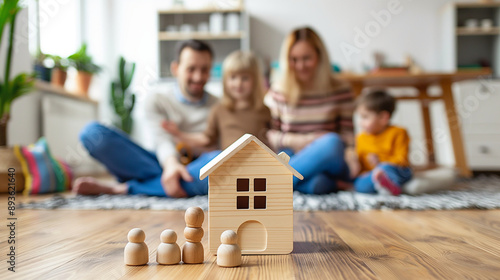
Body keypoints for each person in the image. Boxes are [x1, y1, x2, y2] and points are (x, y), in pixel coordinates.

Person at [73, 39, 220, 197]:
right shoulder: (157, 100)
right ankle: (168, 183)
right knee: (92, 133)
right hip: (160, 162)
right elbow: (162, 140)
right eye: (191, 69)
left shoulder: (221, 106)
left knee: (219, 163)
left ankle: (122, 189)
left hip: (198, 166)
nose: (198, 77)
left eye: (204, 70)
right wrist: (171, 165)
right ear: (176, 69)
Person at [265, 27, 356, 195]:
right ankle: (309, 183)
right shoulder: (279, 91)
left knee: (332, 142)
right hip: (293, 155)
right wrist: (304, 141)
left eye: (306, 58)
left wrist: (350, 157)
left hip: (329, 155)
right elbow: (270, 135)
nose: (300, 66)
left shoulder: (341, 89)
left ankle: (271, 185)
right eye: (294, 59)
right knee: (317, 184)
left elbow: (348, 136)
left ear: (319, 57)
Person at [163, 50, 271, 151]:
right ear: (225, 81)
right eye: (233, 77)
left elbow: (272, 140)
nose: (238, 83)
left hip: (257, 164)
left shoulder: (264, 111)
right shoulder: (219, 110)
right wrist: (179, 134)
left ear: (255, 81)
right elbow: (206, 139)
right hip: (228, 165)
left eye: (245, 78)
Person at [352, 90, 413, 196]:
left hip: (397, 170)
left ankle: (390, 187)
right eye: (360, 117)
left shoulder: (399, 133)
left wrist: (380, 162)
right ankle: (383, 186)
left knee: (384, 169)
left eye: (365, 117)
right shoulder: (360, 138)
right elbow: (361, 166)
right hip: (373, 174)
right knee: (359, 183)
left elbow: (402, 160)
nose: (360, 122)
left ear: (383, 118)